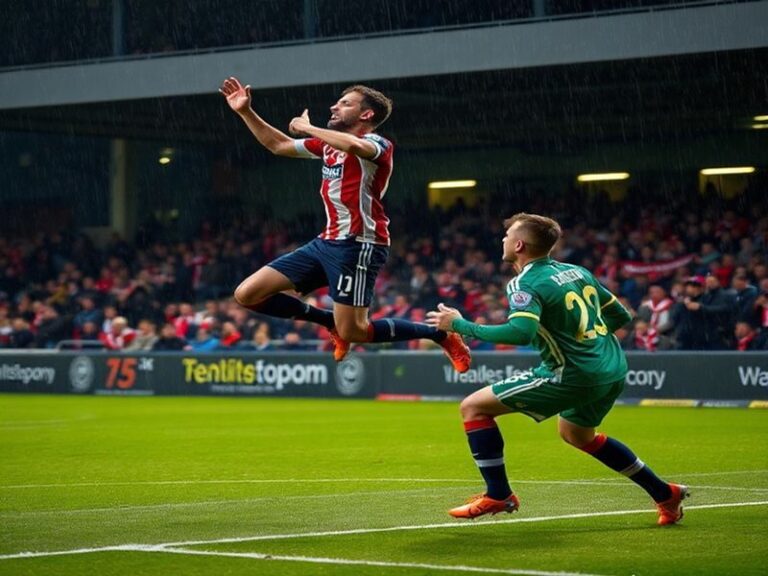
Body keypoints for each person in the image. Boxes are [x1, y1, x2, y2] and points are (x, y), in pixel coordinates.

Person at [426, 213, 687, 525]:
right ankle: (665, 493)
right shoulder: (576, 271)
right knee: (576, 434)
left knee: (473, 408)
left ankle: (499, 494)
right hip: (612, 366)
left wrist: (460, 325)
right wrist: (584, 342)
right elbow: (620, 315)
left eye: (508, 235)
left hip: (572, 374)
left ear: (519, 245)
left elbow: (520, 332)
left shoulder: (525, 282)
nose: (503, 239)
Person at [219, 77, 470, 372]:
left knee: (356, 331)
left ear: (366, 115)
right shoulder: (327, 147)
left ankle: (440, 335)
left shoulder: (379, 144)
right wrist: (245, 111)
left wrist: (307, 127)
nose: (334, 106)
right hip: (325, 242)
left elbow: (353, 144)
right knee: (247, 294)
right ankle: (329, 321)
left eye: (345, 103)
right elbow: (279, 144)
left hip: (359, 244)